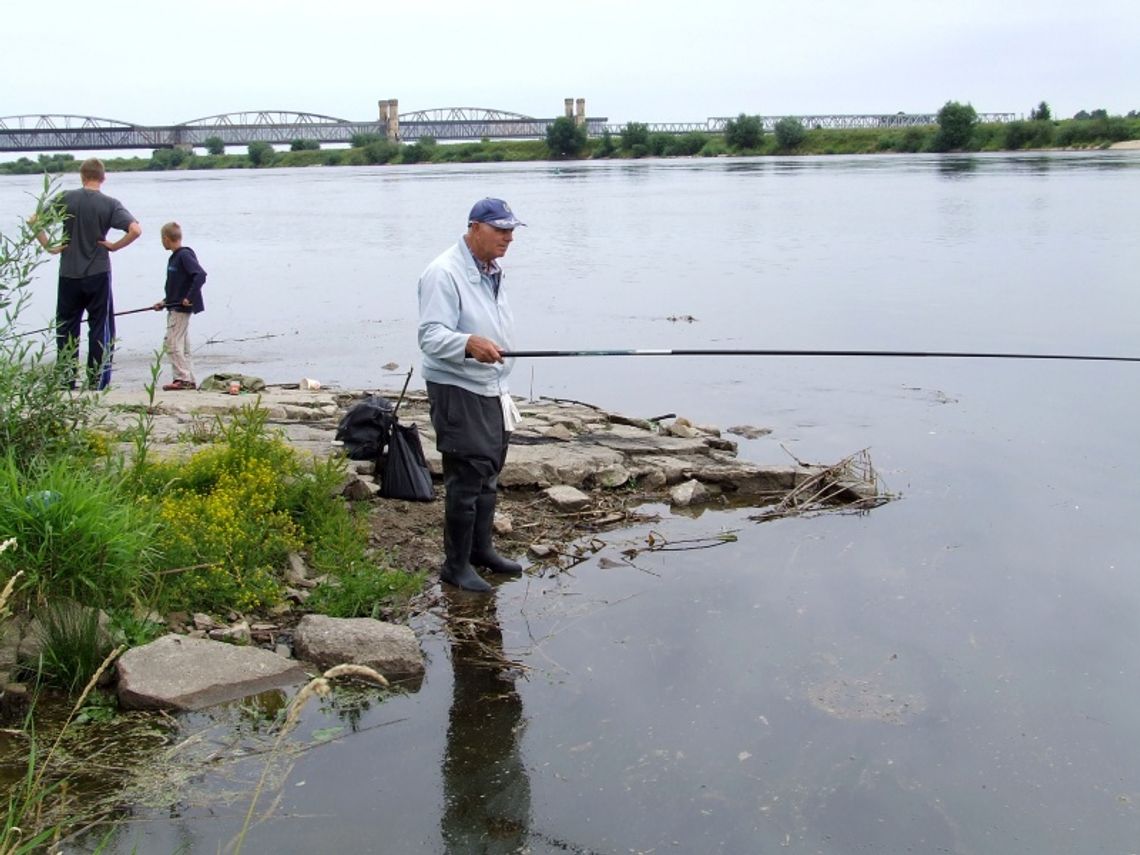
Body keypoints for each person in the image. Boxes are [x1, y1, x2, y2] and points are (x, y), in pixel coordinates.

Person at [418, 197, 526, 593]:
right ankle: (456, 566)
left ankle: (482, 551)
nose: (508, 238)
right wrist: (468, 344)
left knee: (489, 472)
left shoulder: (491, 269)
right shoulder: (443, 273)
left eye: (511, 230)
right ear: (475, 227)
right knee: (466, 477)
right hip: (457, 388)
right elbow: (430, 336)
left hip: (492, 387)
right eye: (500, 230)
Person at [30, 157, 141, 390]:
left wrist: (49, 246)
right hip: (98, 272)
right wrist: (114, 246)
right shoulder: (110, 204)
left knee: (67, 327)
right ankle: (97, 382)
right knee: (100, 326)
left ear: (82, 176)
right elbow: (135, 230)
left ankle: (66, 380)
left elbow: (34, 220)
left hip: (68, 273)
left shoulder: (66, 198)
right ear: (103, 177)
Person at [152, 222, 207, 390]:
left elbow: (200, 275)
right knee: (182, 345)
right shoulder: (175, 257)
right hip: (173, 305)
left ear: (166, 239)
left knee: (172, 343)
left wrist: (189, 297)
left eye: (162, 239)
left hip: (180, 308)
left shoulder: (183, 255)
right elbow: (177, 285)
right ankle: (188, 377)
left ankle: (182, 378)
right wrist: (164, 301)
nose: (162, 242)